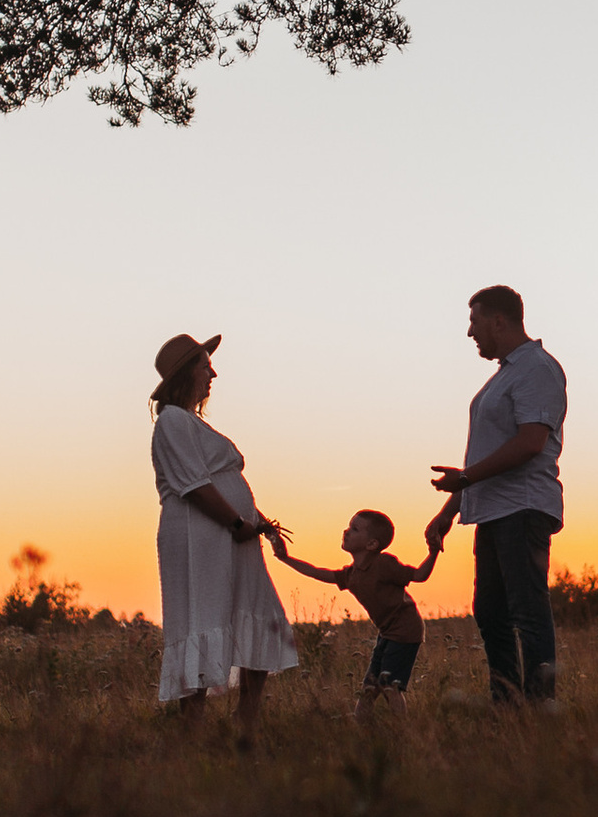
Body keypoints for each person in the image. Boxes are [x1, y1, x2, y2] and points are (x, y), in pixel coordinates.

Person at [148, 331, 298, 742]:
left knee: (260, 615)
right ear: (185, 374)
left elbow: (220, 478)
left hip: (233, 534)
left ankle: (245, 720)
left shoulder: (192, 423)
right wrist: (235, 524)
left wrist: (259, 523)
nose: (213, 372)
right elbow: (195, 485)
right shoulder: (173, 421)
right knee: (202, 615)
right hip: (203, 536)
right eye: (204, 364)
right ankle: (191, 728)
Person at [430, 285, 568, 706]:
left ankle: (541, 707)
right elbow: (486, 452)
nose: (470, 333)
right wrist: (449, 510)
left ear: (498, 321)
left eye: (474, 322)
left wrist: (467, 479)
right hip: (493, 511)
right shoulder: (505, 375)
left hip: (522, 508)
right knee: (491, 614)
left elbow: (530, 442)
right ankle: (506, 703)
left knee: (526, 612)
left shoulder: (536, 369)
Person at [268, 504, 456, 700]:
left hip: (405, 632)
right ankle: (361, 725)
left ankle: (402, 727)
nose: (346, 531)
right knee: (368, 690)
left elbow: (419, 575)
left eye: (355, 529)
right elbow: (316, 572)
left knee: (390, 687)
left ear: (372, 544)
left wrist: (433, 552)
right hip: (387, 634)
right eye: (349, 526)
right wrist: (284, 558)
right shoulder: (351, 575)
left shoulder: (384, 564)